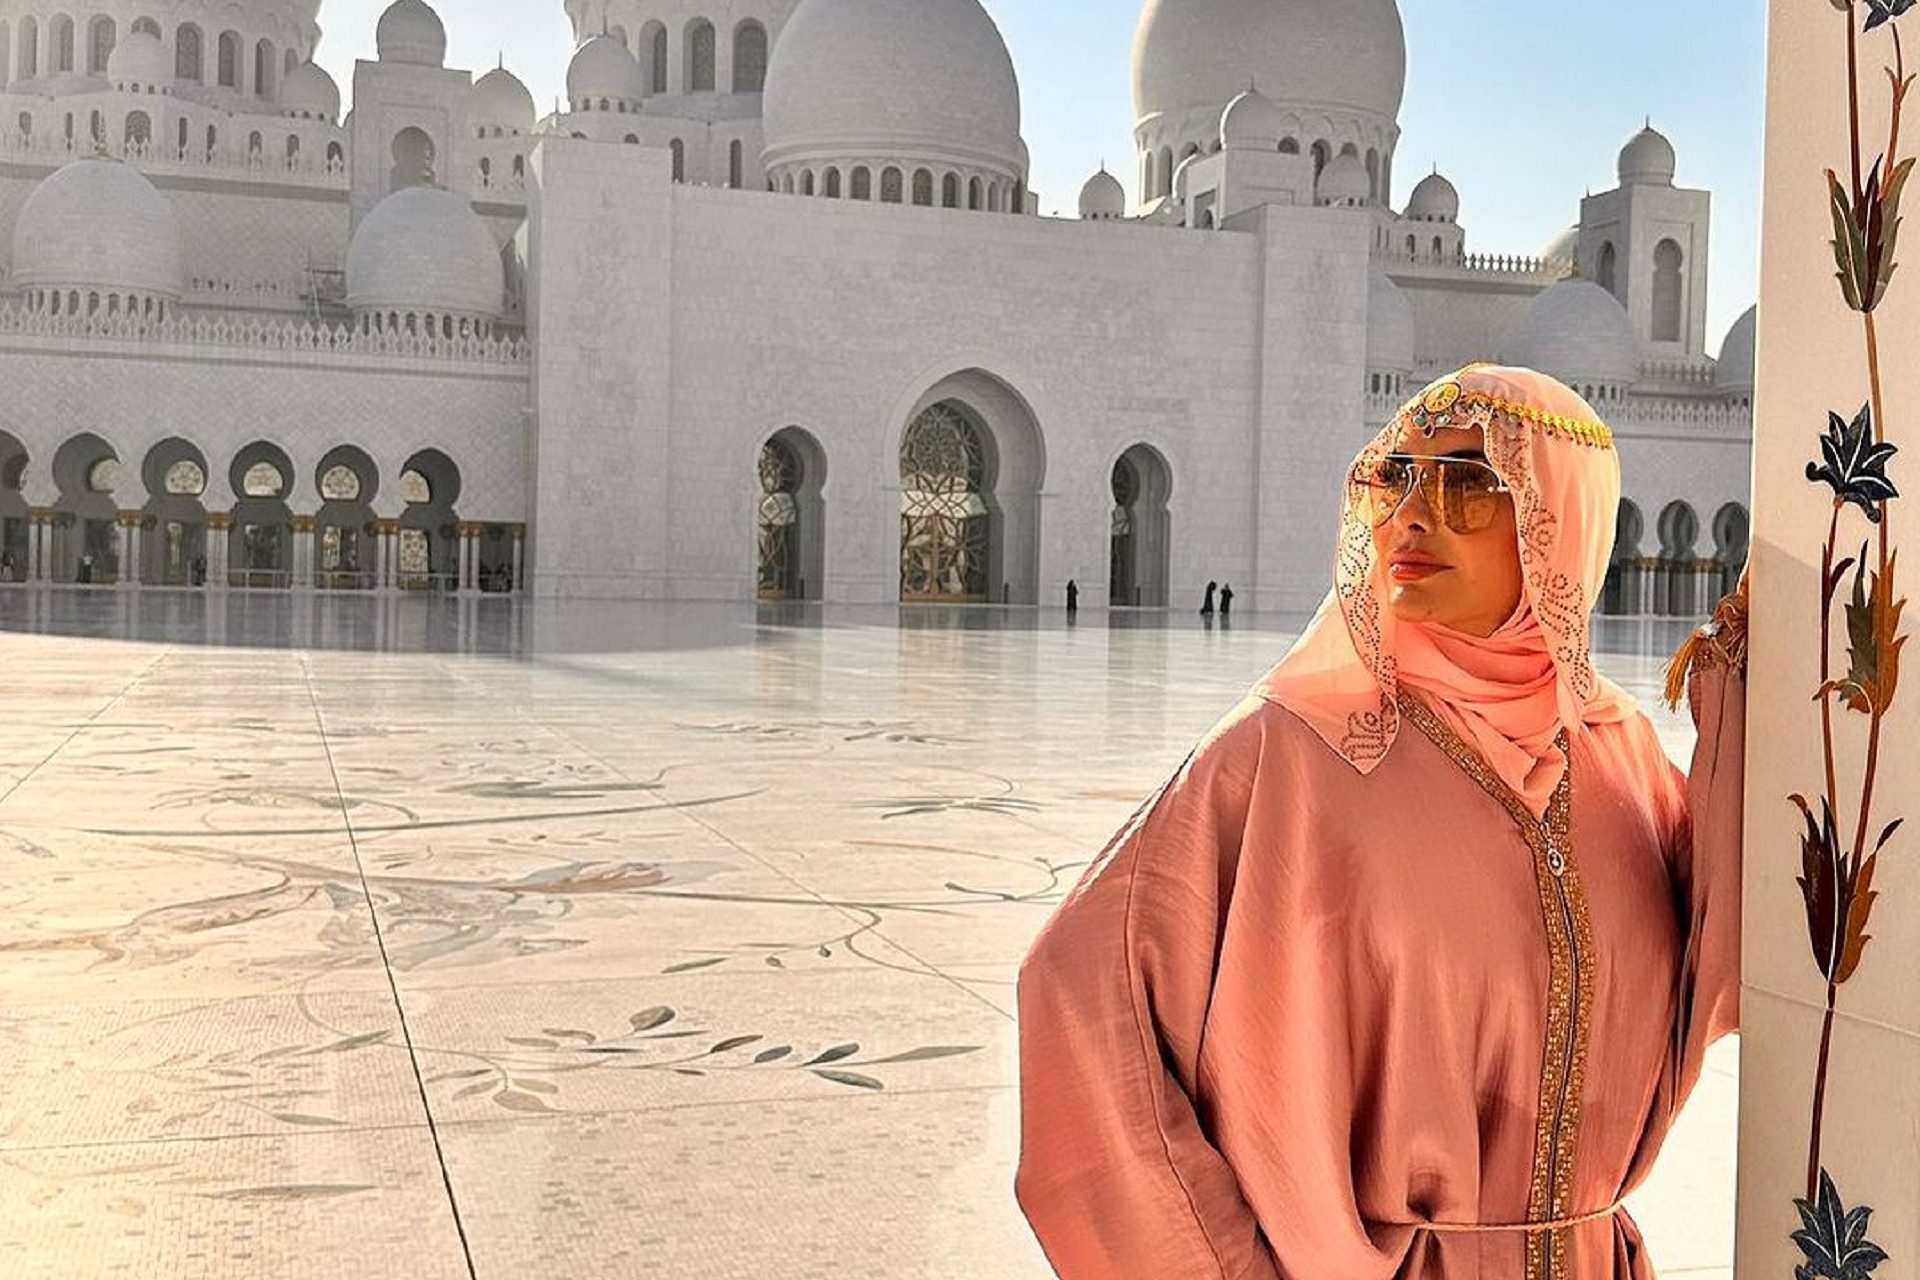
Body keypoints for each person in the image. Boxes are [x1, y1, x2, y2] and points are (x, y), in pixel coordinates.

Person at [1014, 364, 1746, 1278]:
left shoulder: (1621, 759)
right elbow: (1081, 994)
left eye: (1471, 484)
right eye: (1397, 477)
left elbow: (1729, 962)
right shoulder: (1294, 756)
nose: (1415, 513)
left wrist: (1750, 708)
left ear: (1566, 518)